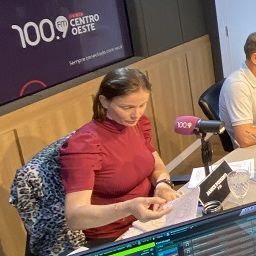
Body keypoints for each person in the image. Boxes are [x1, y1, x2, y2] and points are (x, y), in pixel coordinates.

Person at [59, 67, 181, 245]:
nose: (136, 114)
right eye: (126, 107)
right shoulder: (85, 144)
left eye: (142, 105)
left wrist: (162, 184)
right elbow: (75, 217)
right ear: (104, 102)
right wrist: (128, 207)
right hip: (116, 235)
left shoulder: (138, 124)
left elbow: (156, 165)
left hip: (152, 220)